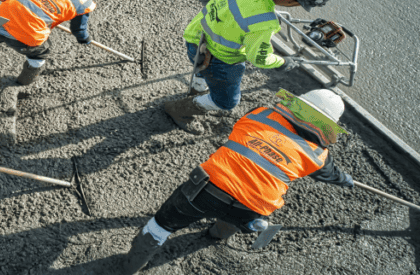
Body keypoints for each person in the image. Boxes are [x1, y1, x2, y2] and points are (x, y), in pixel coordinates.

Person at [119, 89, 354, 274]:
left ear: (296, 105)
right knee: (237, 214)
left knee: (160, 226)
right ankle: (216, 235)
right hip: (253, 207)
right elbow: (332, 176)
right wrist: (346, 181)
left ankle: (129, 268)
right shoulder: (319, 156)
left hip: (204, 188)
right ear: (326, 127)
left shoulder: (259, 114)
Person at [164, 0, 339, 134]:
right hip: (219, 59)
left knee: (201, 70)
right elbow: (259, 58)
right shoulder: (263, 22)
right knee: (226, 102)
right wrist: (283, 61)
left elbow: (243, 1)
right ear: (292, 1)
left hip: (196, 35)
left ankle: (197, 90)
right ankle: (180, 110)